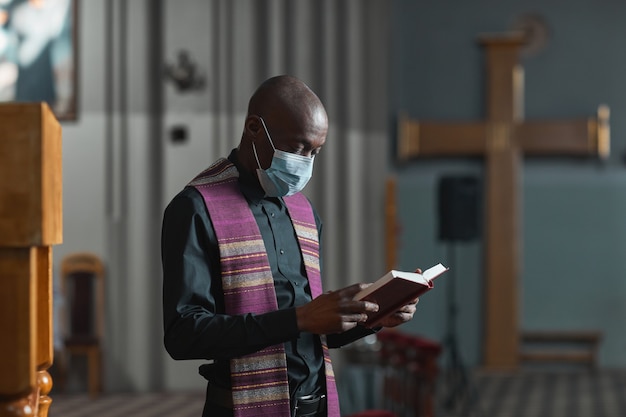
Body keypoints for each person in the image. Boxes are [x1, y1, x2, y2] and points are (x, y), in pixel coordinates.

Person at [161, 75, 420, 417]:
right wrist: (299, 319)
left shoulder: (302, 210)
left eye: (315, 151)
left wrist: (371, 316)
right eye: (298, 147)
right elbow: (184, 335)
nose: (306, 162)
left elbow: (312, 330)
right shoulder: (197, 207)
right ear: (254, 128)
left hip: (317, 404)